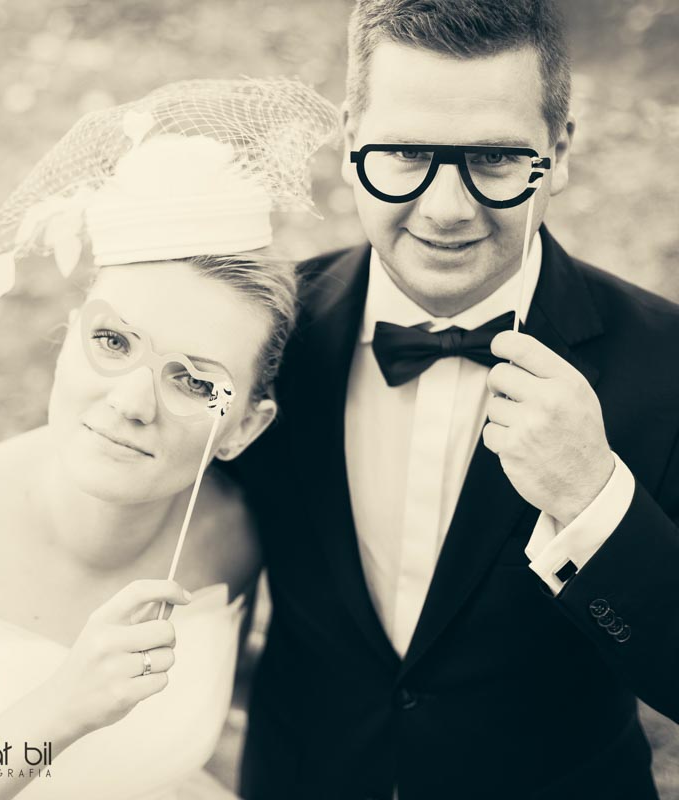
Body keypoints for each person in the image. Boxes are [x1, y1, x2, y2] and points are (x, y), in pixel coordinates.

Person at [235, 3, 679, 799]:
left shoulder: (665, 362)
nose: (446, 208)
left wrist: (594, 499)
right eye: (406, 152)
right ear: (350, 142)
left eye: (496, 158)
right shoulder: (268, 336)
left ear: (559, 153)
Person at [0, 78, 337, 799]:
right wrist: (58, 710)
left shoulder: (236, 535)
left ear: (244, 428)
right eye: (113, 341)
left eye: (195, 382)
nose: (130, 402)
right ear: (69, 338)